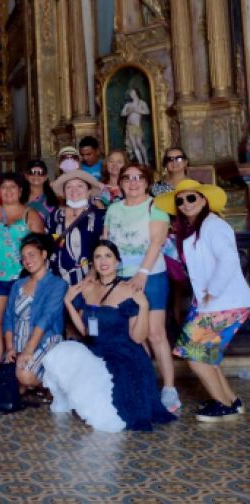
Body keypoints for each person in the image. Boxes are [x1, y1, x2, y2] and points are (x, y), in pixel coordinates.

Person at [155, 180, 248, 422]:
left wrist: (212, 292)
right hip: (215, 304)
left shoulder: (213, 225)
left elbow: (228, 259)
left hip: (222, 303)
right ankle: (230, 400)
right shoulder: (196, 227)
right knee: (207, 357)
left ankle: (223, 406)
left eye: (191, 198)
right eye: (180, 201)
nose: (185, 204)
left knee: (195, 357)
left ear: (204, 200)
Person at [63, 240, 177, 431]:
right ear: (93, 263)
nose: (103, 261)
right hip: (96, 347)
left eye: (108, 256)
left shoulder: (128, 289)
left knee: (116, 376)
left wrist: (144, 306)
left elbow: (138, 338)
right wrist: (68, 303)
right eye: (98, 257)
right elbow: (85, 331)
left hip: (124, 351)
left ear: (117, 261)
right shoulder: (88, 289)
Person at [104, 164, 180, 413]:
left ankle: (169, 389)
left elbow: (157, 242)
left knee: (155, 333)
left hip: (151, 275)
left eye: (139, 178)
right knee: (134, 334)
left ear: (147, 182)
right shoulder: (113, 209)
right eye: (128, 178)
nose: (133, 183)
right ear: (121, 183)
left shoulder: (155, 206)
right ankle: (146, 384)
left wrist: (142, 274)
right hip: (121, 277)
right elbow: (106, 242)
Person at [0, 173, 45, 363]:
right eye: (4, 187)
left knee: (22, 322)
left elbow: (41, 248)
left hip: (23, 277)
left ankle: (21, 366)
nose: (8, 191)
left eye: (12, 187)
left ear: (20, 191)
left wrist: (38, 278)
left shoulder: (30, 215)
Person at [3, 234, 65, 389]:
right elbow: (8, 317)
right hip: (18, 342)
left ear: (43, 254)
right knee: (12, 384)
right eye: (24, 257)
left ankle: (54, 385)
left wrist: (28, 350)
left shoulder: (57, 284)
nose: (27, 260)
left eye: (31, 255)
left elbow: (46, 318)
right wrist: (10, 348)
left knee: (25, 375)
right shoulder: (18, 285)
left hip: (44, 340)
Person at [46, 170, 105, 286]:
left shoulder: (100, 217)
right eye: (69, 187)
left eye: (80, 186)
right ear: (64, 192)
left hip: (88, 281)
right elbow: (48, 245)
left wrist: (93, 273)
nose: (74, 190)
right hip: (56, 281)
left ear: (89, 191)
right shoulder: (54, 217)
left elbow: (105, 249)